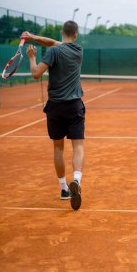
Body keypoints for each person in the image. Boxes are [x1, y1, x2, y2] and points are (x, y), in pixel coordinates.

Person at [21, 21, 85, 211]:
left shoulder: (53, 52)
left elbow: (35, 74)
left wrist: (31, 57)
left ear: (61, 32)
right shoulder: (78, 50)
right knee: (78, 145)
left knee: (58, 147)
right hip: (75, 106)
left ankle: (64, 189)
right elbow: (54, 43)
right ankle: (76, 180)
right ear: (76, 35)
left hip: (55, 107)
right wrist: (33, 37)